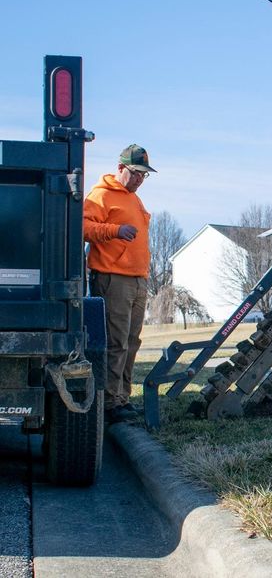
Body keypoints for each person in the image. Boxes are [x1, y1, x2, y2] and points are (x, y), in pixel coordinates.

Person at [83, 145, 155, 423]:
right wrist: (114, 230)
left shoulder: (134, 200)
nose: (139, 180)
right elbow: (82, 227)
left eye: (144, 176)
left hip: (138, 279)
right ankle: (111, 402)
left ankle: (123, 397)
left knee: (131, 341)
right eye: (136, 173)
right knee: (116, 341)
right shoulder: (101, 195)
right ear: (121, 168)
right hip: (113, 278)